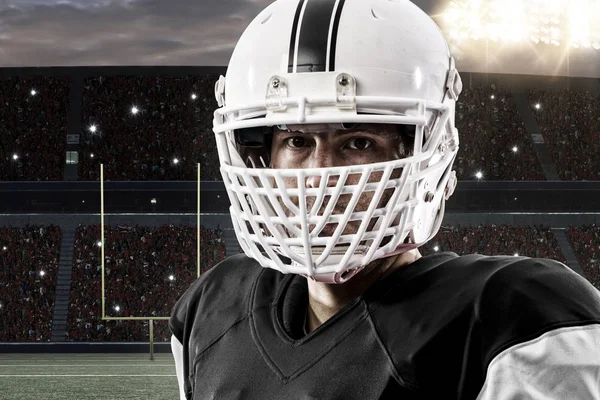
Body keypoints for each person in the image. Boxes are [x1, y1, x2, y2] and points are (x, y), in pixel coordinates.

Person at [170, 0, 600, 398]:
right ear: (261, 156)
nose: (320, 177)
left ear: (422, 154)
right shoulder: (211, 312)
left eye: (358, 143)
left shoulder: (508, 323)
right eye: (298, 140)